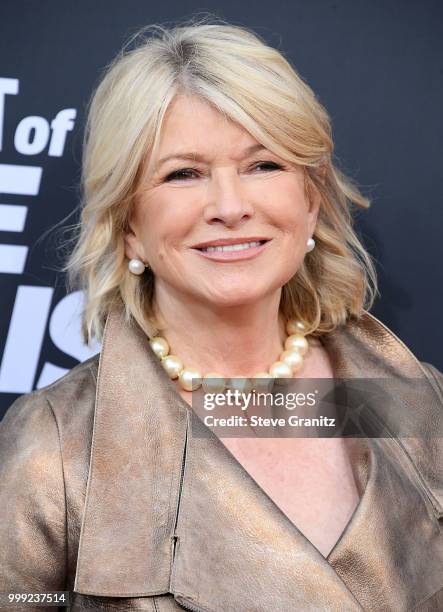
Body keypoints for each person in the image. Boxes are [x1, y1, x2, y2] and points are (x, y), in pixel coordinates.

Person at [1, 18, 442, 612]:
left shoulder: (414, 399)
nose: (231, 207)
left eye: (264, 165)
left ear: (310, 202)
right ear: (128, 226)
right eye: (184, 174)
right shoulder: (50, 452)